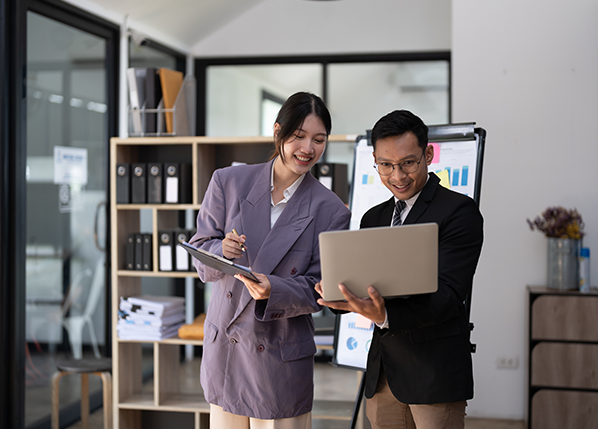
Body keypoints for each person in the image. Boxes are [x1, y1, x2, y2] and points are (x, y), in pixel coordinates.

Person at [188, 91, 351, 428]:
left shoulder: (331, 210)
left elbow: (319, 290)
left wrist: (272, 289)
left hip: (280, 356)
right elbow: (201, 252)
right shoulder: (228, 182)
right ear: (278, 132)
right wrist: (222, 251)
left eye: (319, 140)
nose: (308, 148)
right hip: (228, 353)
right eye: (298, 136)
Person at [316, 110, 484, 429]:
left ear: (429, 154)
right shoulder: (374, 218)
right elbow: (370, 285)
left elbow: (448, 297)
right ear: (375, 161)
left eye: (408, 162)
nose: (398, 175)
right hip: (384, 376)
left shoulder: (459, 212)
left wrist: (383, 316)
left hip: (434, 373)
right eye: (386, 165)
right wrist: (339, 295)